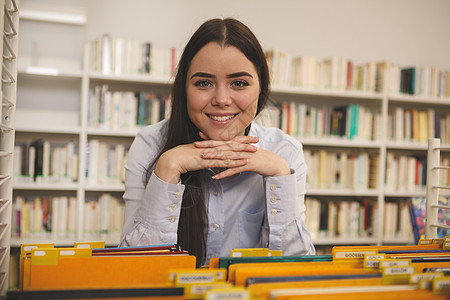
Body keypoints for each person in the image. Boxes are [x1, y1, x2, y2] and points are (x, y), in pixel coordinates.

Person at [120, 18, 315, 266]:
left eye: (239, 83)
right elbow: (132, 267)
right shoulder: (149, 145)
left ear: (261, 87)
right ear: (184, 88)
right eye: (204, 83)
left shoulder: (284, 151)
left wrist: (279, 174)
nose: (221, 99)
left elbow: (298, 270)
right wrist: (168, 167)